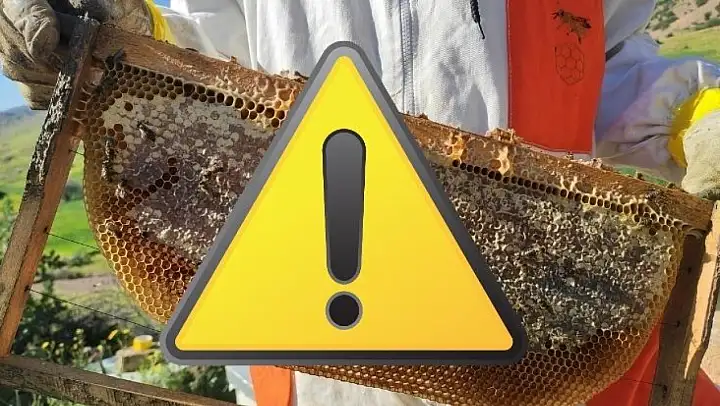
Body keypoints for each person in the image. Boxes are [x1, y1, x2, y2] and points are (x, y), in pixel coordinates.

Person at [2, 1, 720, 405]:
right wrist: (128, 40)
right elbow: (203, 57)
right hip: (315, 371)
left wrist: (695, 114)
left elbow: (602, 66)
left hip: (540, 363)